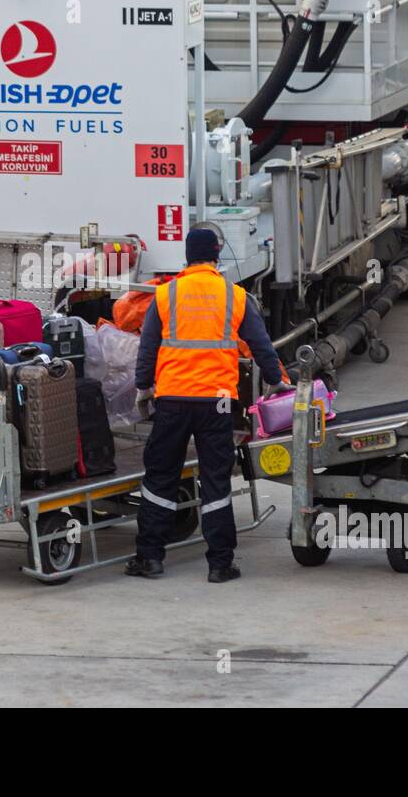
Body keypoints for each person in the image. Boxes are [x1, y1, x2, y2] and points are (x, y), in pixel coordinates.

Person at [126, 226, 289, 583]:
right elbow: (260, 346)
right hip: (216, 402)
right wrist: (277, 380)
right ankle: (220, 563)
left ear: (187, 256)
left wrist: (142, 387)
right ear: (216, 256)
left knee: (159, 478)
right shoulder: (234, 296)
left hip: (171, 400)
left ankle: (150, 558)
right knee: (216, 482)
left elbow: (148, 346)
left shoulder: (166, 294)